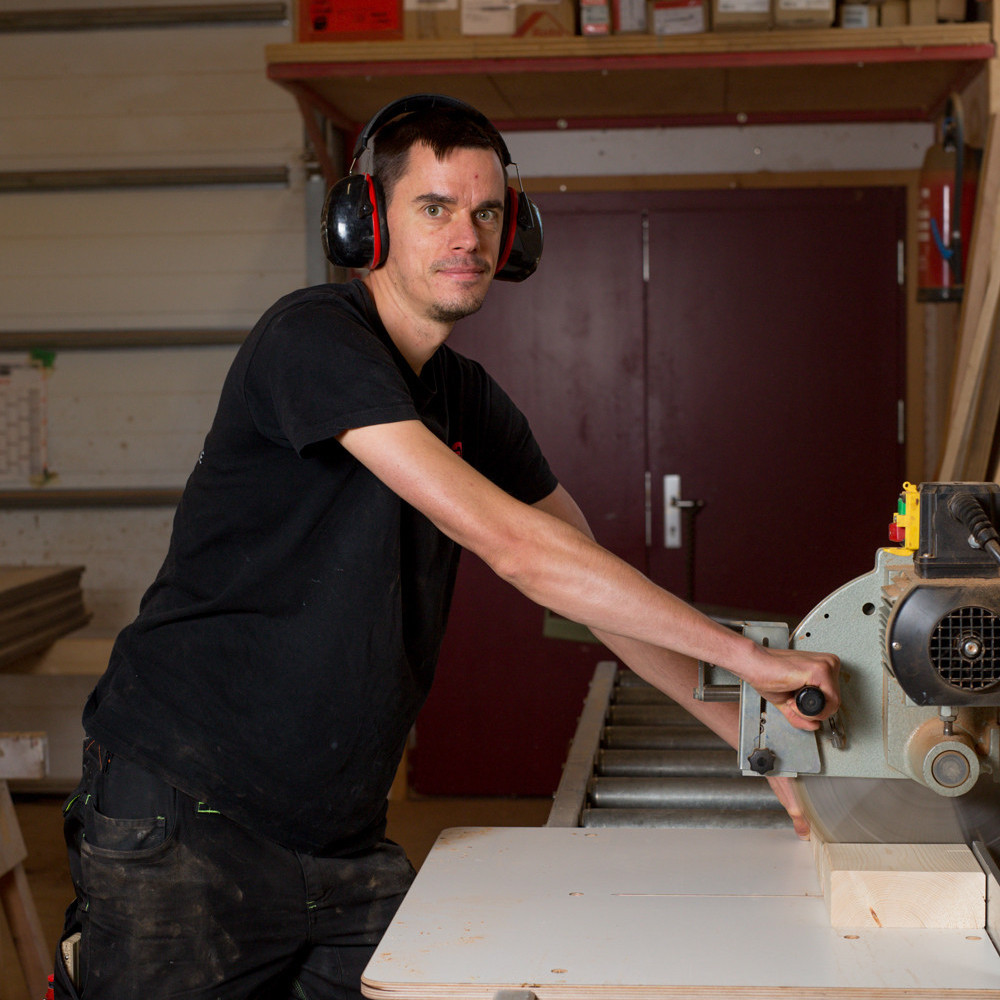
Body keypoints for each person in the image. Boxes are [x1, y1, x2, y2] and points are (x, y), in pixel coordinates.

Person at [55, 94, 840, 1000]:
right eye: (434, 207)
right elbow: (517, 548)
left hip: (339, 836)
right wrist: (748, 657)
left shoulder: (467, 399)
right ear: (367, 223)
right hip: (187, 812)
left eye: (487, 212)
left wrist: (753, 741)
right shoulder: (310, 339)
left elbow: (587, 584)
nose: (467, 235)